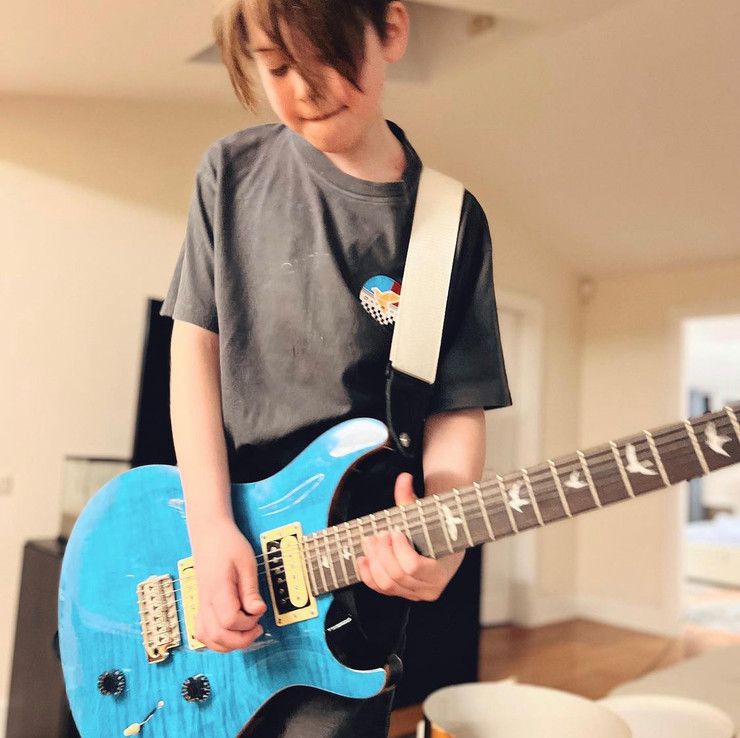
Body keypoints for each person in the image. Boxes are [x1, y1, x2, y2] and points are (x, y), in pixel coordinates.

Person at [161, 0, 511, 735]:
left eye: (327, 57)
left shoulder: (450, 223)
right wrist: (210, 526)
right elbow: (193, 350)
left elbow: (456, 410)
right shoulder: (230, 171)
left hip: (352, 597)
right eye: (277, 66)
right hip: (223, 555)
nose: (305, 88)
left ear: (391, 29)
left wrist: (444, 540)